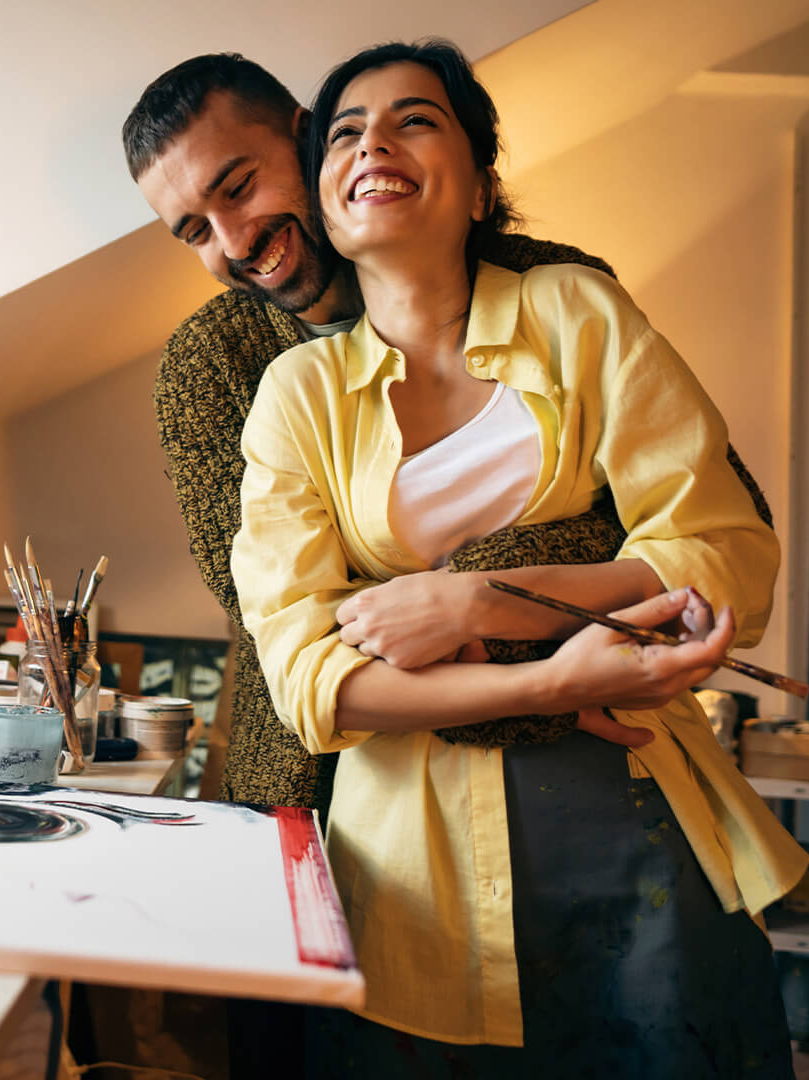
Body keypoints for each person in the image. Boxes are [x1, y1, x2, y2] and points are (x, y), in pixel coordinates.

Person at [231, 39, 807, 1077]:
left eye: (416, 119)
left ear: (483, 186)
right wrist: (557, 671)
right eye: (346, 133)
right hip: (412, 859)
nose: (374, 143)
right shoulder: (298, 398)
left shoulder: (578, 314)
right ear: (326, 202)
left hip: (634, 813)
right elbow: (311, 681)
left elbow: (725, 553)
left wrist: (472, 607)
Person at [126, 55, 672, 816]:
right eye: (194, 231)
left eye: (239, 187)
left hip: (582, 766)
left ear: (312, 139)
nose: (234, 241)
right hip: (325, 777)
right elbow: (271, 606)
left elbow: (680, 528)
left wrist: (463, 603)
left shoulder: (556, 292)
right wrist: (535, 666)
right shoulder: (209, 364)